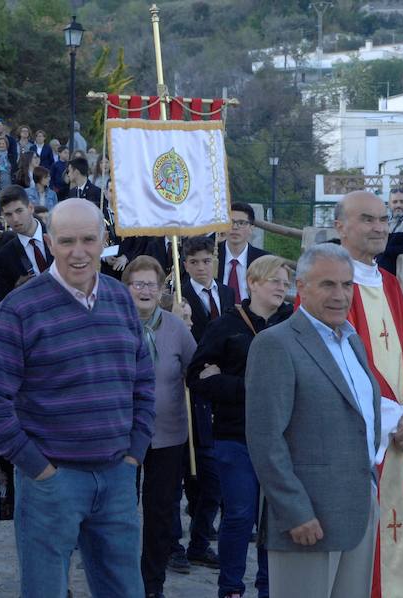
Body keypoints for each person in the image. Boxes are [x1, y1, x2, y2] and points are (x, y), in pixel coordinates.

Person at [0, 198, 155, 597]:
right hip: (52, 481)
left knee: (125, 589)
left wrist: (133, 454)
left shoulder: (120, 299)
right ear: (50, 242)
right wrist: (39, 469)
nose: (79, 251)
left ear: (104, 240)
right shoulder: (18, 309)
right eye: (67, 240)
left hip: (117, 475)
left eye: (89, 240)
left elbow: (143, 383)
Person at [245, 243, 381, 598]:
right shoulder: (275, 344)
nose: (340, 295)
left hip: (358, 510)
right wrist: (294, 512)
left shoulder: (353, 342)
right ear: (301, 287)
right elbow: (265, 438)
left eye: (347, 285)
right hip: (307, 520)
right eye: (328, 285)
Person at [333, 190, 403, 598]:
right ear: (341, 225)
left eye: (383, 219)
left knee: (401, 539)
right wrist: (396, 419)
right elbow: (338, 361)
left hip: (401, 434)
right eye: (368, 219)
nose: (379, 227)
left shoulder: (389, 283)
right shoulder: (329, 281)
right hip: (363, 438)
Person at [188, 255, 293, 598]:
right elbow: (196, 377)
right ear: (253, 282)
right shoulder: (226, 325)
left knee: (274, 519)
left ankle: (269, 586)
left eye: (285, 281)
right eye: (275, 280)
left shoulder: (293, 323)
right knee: (239, 514)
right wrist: (246, 387)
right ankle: (231, 587)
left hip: (282, 437)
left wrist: (230, 379)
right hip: (235, 435)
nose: (282, 287)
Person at [122, 256, 197, 598]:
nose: (145, 290)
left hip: (168, 435)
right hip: (121, 436)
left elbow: (194, 370)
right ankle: (120, 579)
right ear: (126, 288)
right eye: (138, 283)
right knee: (120, 511)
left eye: (152, 284)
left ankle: (152, 583)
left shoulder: (176, 328)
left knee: (160, 512)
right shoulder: (113, 324)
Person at [170, 235, 231, 573]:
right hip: (190, 392)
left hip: (220, 394)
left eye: (206, 261)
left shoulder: (227, 293)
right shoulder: (179, 297)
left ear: (214, 261)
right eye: (194, 262)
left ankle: (201, 539)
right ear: (185, 265)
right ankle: (174, 543)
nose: (201, 267)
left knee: (213, 475)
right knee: (188, 470)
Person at [0, 186, 53, 298]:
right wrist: (15, 289)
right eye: (8, 214)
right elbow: (2, 299)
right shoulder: (4, 256)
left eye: (19, 211)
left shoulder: (57, 236)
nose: (15, 219)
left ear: (30, 208)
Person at [218, 202, 270, 304]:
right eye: (230, 222)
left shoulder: (263, 260)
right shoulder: (211, 257)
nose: (235, 227)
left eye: (241, 223)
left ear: (251, 228)